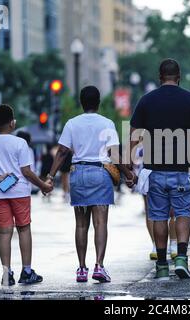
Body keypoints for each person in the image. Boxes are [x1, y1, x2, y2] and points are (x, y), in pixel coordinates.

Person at [129, 59, 190, 280]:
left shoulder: (146, 101)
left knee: (158, 216)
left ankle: (161, 264)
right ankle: (181, 258)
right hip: (185, 169)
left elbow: (132, 138)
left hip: (154, 169)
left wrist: (128, 169)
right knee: (183, 213)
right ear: (179, 77)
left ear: (160, 78)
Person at [45, 86, 135, 283]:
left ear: (81, 102)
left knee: (81, 224)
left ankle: (81, 268)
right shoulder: (107, 123)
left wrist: (50, 176)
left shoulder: (71, 123)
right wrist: (128, 174)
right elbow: (113, 153)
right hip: (100, 173)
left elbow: (62, 152)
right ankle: (99, 266)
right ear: (99, 102)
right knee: (100, 222)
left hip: (79, 173)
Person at [0, 104, 53, 286]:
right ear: (12, 123)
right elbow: (26, 172)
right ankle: (26, 272)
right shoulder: (20, 143)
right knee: (24, 229)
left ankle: (6, 274)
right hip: (19, 192)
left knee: (5, 232)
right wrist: (43, 185)